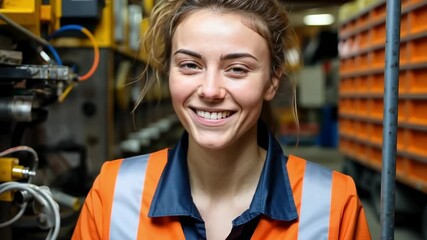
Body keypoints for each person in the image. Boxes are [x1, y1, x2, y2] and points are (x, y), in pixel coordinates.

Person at [72, 0, 371, 239]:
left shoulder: (334, 203)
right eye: (190, 65)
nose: (210, 90)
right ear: (169, 74)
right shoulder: (113, 194)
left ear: (271, 83)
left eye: (237, 69)